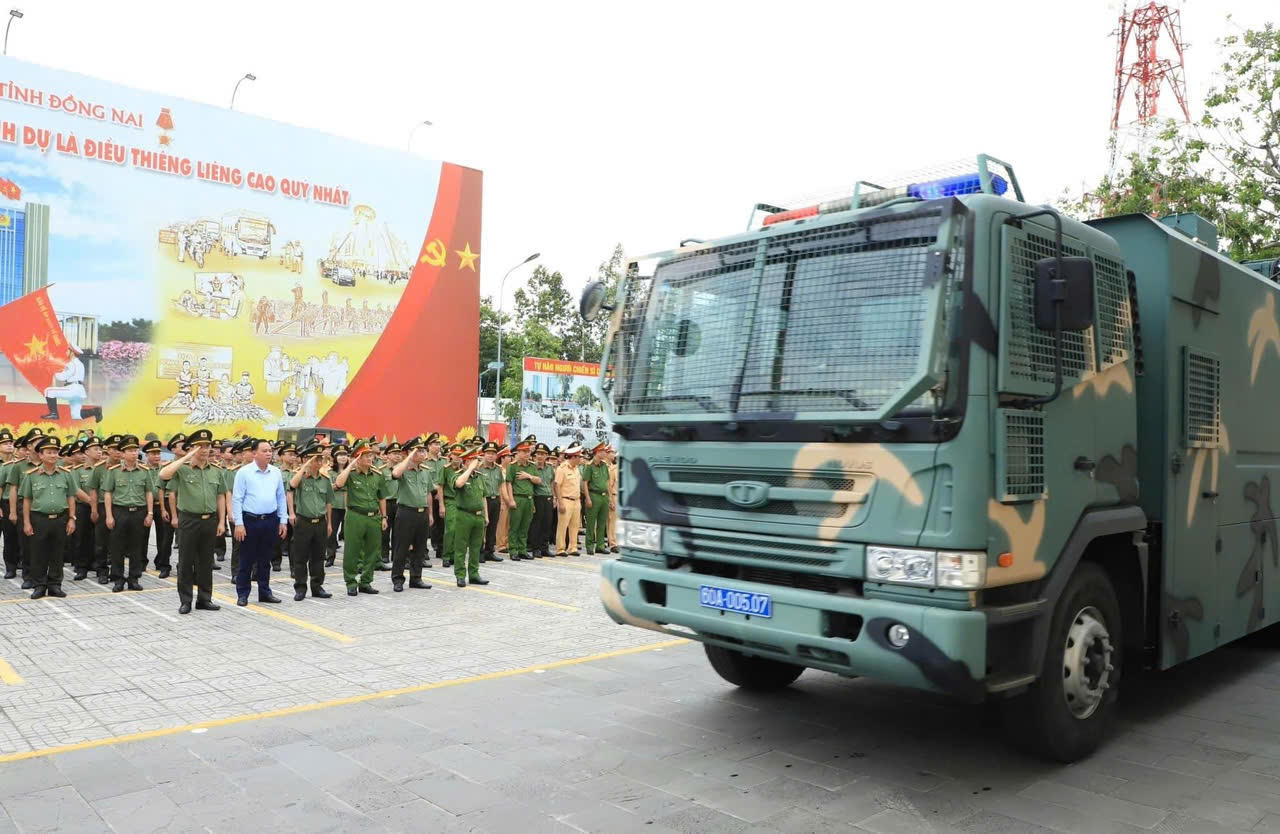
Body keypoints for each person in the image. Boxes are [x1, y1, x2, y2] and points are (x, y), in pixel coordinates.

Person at [159, 429, 225, 615]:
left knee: (205, 562)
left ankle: (205, 599)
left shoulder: (216, 471)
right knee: (186, 561)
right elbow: (164, 475)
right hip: (189, 520)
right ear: (192, 448)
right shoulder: (182, 469)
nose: (205, 449)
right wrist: (187, 456)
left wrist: (221, 521)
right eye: (200, 446)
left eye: (207, 446)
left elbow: (220, 496)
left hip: (209, 520)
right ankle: (185, 600)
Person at [21, 436, 89, 599]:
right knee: (38, 553)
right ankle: (39, 585)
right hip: (39, 519)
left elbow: (71, 497)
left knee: (57, 553)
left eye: (55, 452)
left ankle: (55, 585)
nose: (53, 455)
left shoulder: (66, 474)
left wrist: (72, 518)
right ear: (41, 455)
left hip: (60, 519)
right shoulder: (31, 475)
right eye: (49, 452)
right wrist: (26, 522)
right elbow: (27, 500)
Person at [230, 438, 288, 606]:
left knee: (265, 560)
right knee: (246, 559)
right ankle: (243, 593)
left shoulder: (275, 472)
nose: (269, 453)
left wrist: (282, 520)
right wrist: (239, 523)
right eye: (264, 451)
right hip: (250, 521)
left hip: (270, 520)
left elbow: (281, 497)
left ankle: (265, 592)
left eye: (270, 450)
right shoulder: (244, 472)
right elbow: (237, 499)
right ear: (254, 453)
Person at [333, 439, 389, 596]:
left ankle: (366, 582)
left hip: (374, 517)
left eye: (371, 455)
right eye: (365, 456)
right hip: (355, 516)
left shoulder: (377, 474)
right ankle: (351, 582)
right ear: (358, 457)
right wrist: (351, 464)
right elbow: (338, 483)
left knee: (372, 551)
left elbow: (382, 497)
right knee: (352, 550)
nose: (370, 458)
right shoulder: (350, 474)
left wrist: (384, 517)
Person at [102, 435, 153, 592]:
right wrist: (109, 515)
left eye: (135, 449)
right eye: (129, 450)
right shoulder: (114, 471)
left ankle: (134, 578)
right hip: (120, 511)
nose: (133, 453)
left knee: (137, 546)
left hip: (138, 512)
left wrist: (150, 513)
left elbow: (149, 492)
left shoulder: (144, 471)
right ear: (122, 454)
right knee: (117, 546)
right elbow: (108, 493)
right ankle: (118, 579)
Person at [287, 441, 334, 601]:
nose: (319, 462)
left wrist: (329, 523)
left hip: (320, 522)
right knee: (300, 557)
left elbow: (328, 502)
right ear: (306, 459)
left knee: (318, 557)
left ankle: (317, 586)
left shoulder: (325, 479)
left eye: (321, 459)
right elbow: (291, 487)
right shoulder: (300, 477)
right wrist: (304, 467)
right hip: (303, 522)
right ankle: (300, 588)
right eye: (315, 459)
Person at [389, 437, 433, 591]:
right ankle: (397, 579)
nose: (423, 453)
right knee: (402, 547)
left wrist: (430, 514)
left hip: (422, 513)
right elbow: (395, 474)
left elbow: (428, 494)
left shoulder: (425, 471)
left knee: (420, 548)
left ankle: (416, 578)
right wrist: (409, 456)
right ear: (410, 452)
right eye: (419, 451)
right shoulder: (403, 469)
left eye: (423, 450)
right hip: (406, 512)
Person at [451, 446, 490, 587]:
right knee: (461, 547)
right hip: (464, 515)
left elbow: (483, 497)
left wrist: (486, 515)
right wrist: (469, 469)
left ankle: (474, 574)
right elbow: (459, 483)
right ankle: (460, 575)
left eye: (477, 460)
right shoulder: (458, 474)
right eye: (473, 460)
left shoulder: (479, 477)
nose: (477, 463)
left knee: (476, 547)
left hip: (478, 516)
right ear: (466, 461)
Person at [504, 440, 540, 561]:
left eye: (528, 451)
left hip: (529, 499)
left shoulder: (532, 466)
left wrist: (528, 476)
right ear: (518, 452)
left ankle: (522, 549)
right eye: (523, 451)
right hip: (518, 498)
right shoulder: (512, 466)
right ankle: (513, 550)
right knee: (515, 526)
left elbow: (538, 481)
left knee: (525, 526)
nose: (526, 454)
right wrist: (510, 500)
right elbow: (508, 483)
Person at [41, 344, 88, 421]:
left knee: (48, 391)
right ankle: (96, 411)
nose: (66, 352)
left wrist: (53, 371)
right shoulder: (80, 363)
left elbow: (62, 377)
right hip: (79, 390)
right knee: (76, 415)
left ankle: (54, 414)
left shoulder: (71, 363)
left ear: (72, 352)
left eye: (68, 350)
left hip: (73, 389)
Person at [553, 444, 586, 557]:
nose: (581, 459)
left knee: (575, 525)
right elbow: (557, 485)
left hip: (576, 501)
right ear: (573, 457)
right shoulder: (562, 468)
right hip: (565, 500)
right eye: (579, 457)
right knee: (562, 526)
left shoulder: (576, 469)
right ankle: (560, 548)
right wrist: (560, 502)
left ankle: (573, 547)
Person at [583, 443, 612, 555]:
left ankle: (600, 545)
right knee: (591, 523)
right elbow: (585, 483)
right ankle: (590, 546)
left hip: (604, 496)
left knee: (602, 522)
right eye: (603, 451)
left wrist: (610, 499)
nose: (605, 453)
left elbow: (607, 483)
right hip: (594, 495)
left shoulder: (604, 466)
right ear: (598, 452)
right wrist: (588, 498)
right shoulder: (589, 466)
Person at [478, 442, 504, 563]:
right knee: (482, 527)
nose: (490, 456)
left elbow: (500, 485)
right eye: (488, 453)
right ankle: (479, 552)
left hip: (495, 500)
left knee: (493, 527)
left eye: (493, 453)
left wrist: (501, 501)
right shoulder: (478, 468)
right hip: (484, 500)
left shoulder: (498, 469)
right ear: (484, 454)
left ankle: (490, 551)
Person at [326, 444, 349, 567]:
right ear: (334, 458)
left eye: (345, 455)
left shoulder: (351, 470)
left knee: (349, 534)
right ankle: (330, 556)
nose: (342, 457)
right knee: (331, 532)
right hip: (334, 505)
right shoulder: (329, 472)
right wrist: (338, 485)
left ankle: (350, 558)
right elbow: (329, 488)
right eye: (340, 455)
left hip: (348, 505)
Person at [530, 443, 555, 557]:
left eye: (542, 454)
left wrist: (554, 497)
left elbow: (552, 483)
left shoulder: (550, 468)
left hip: (548, 497)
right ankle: (536, 548)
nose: (540, 456)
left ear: (546, 456)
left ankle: (545, 548)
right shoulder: (531, 467)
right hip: (537, 497)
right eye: (538, 454)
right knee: (537, 524)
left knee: (547, 523)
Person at [0, 429, 16, 579]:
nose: (9, 445)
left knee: (12, 535)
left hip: (16, 503)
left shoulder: (16, 463)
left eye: (10, 442)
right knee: (7, 537)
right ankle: (10, 567)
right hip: (3, 503)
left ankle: (15, 566)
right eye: (5, 443)